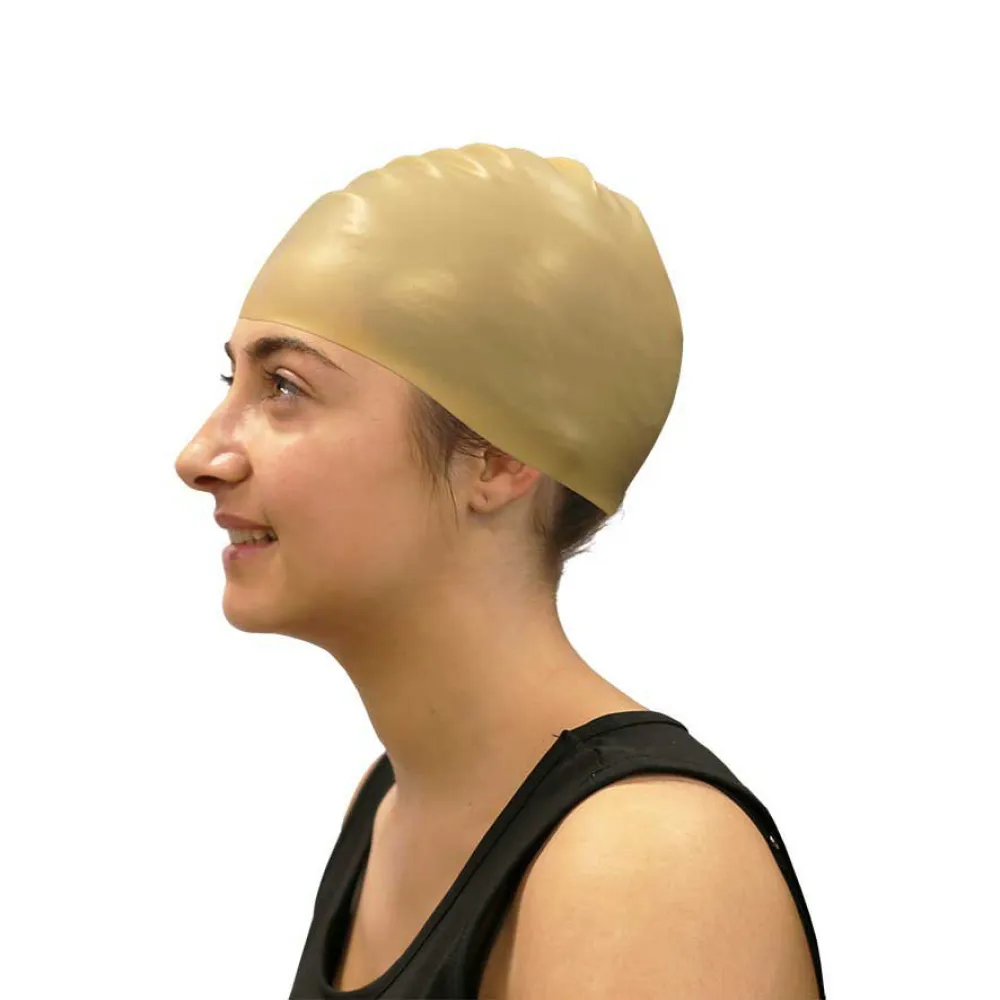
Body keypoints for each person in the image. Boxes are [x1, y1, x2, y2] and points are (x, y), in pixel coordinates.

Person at [175, 143, 824, 998]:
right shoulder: (388, 806)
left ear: (499, 457)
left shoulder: (644, 862)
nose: (200, 456)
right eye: (233, 380)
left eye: (284, 387)